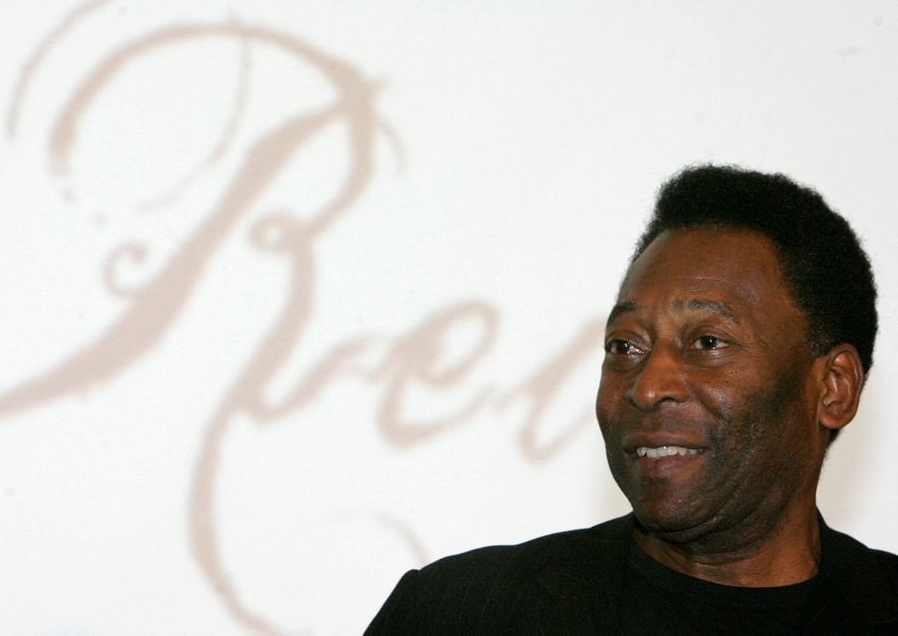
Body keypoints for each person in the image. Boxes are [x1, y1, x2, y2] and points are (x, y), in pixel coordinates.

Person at [365, 165, 898, 634]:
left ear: (833, 388)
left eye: (707, 343)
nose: (645, 386)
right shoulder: (459, 614)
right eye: (625, 346)